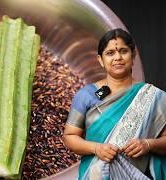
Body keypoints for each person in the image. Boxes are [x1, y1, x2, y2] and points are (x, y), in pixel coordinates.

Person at [63, 28, 166, 180]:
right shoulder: (86, 96)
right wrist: (96, 148)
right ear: (100, 60)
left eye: (123, 51)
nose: (117, 57)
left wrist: (147, 144)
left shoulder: (153, 96)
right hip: (94, 174)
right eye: (110, 53)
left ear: (133, 56)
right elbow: (69, 137)